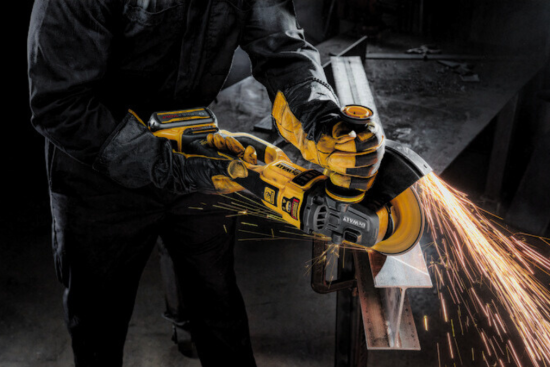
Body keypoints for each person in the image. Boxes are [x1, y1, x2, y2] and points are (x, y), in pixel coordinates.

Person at [27, 0, 384, 366]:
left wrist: (321, 119)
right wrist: (175, 167)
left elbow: (282, 50)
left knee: (218, 302)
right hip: (97, 164)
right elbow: (60, 103)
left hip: (198, 143)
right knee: (98, 322)